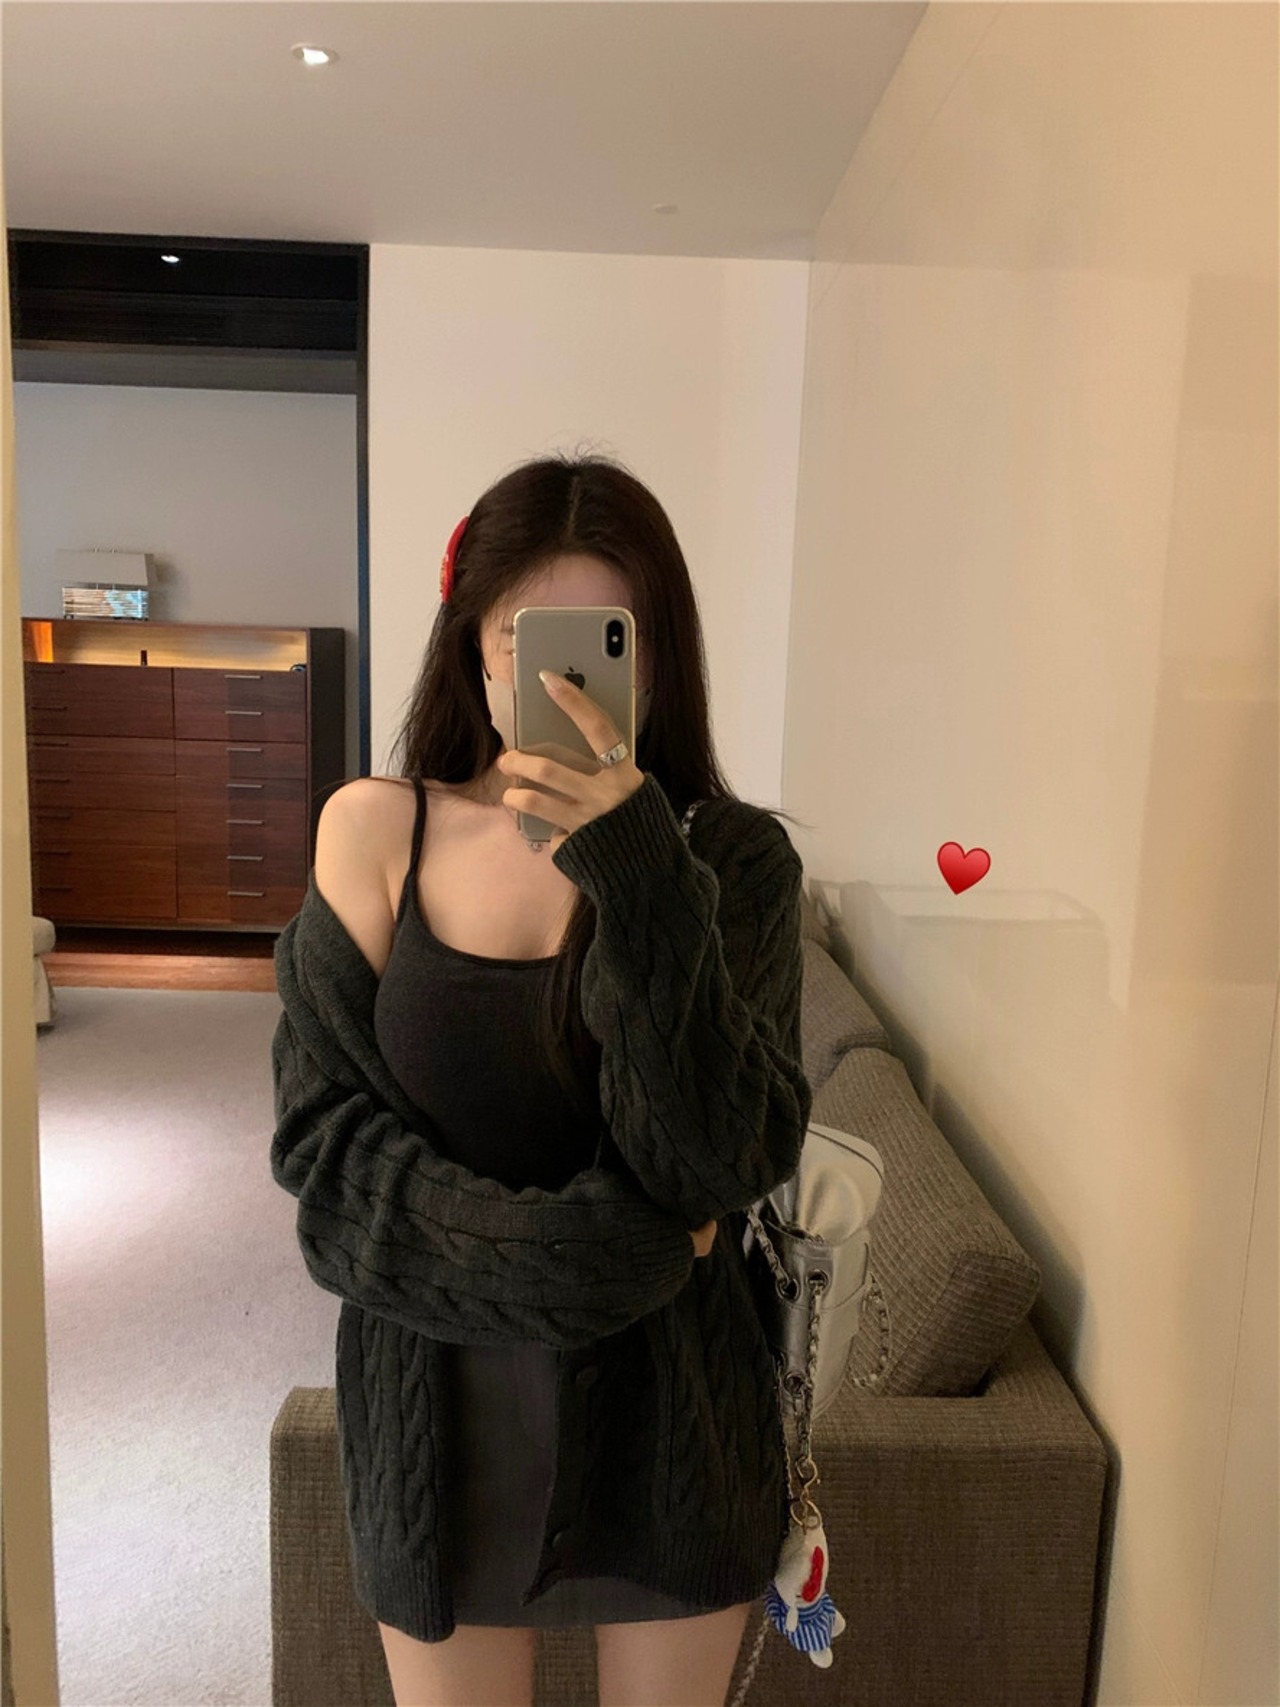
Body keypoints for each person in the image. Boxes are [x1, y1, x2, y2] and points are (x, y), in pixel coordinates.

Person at [277, 450, 812, 1707]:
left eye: (604, 639)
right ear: (473, 649)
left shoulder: (732, 864)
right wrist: (604, 1259)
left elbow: (714, 1159)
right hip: (433, 1429)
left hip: (678, 1430)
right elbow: (326, 1164)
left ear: (657, 655)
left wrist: (637, 872)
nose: (561, 679)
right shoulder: (375, 830)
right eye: (527, 638)